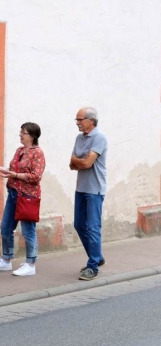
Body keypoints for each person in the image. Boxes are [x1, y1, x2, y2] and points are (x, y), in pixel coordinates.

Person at [0, 122, 45, 276]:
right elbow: (13, 170)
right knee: (6, 227)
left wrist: (14, 175)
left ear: (32, 136)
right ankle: (6, 260)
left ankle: (30, 264)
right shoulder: (19, 150)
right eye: (21, 132)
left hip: (27, 196)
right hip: (14, 194)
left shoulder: (37, 153)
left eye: (23, 132)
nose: (20, 134)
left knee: (28, 231)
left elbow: (36, 176)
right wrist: (0, 168)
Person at [69, 107, 107, 281]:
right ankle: (97, 256)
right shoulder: (79, 138)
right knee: (79, 224)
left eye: (80, 119)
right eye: (77, 120)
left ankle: (93, 266)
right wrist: (80, 160)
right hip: (81, 188)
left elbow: (87, 164)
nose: (77, 123)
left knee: (92, 227)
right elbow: (72, 163)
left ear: (91, 120)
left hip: (94, 190)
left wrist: (80, 160)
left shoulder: (99, 138)